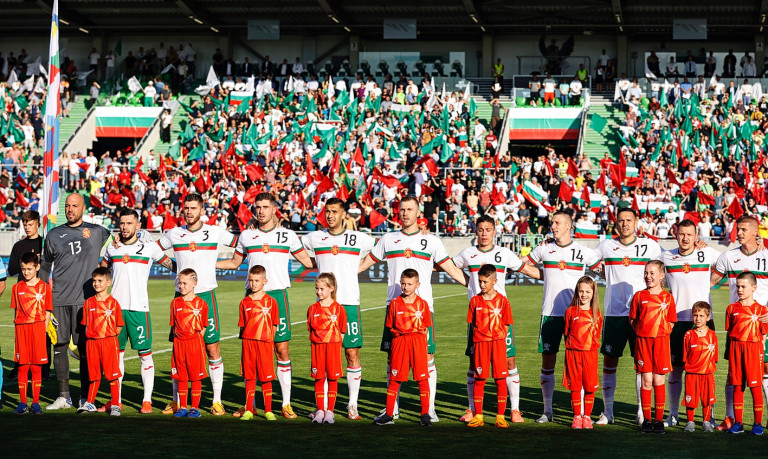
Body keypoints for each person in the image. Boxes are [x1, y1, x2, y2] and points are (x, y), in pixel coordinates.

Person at [359, 195, 468, 422]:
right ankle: (393, 408)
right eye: (402, 209)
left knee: (428, 358)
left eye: (410, 209)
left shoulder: (432, 241)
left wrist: (474, 286)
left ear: (419, 214)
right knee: (392, 358)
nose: (405, 213)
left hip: (422, 309)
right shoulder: (388, 240)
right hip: (394, 308)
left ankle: (429, 409)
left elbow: (452, 269)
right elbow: (364, 264)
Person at [217, 192, 313, 419]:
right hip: (251, 299)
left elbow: (307, 261)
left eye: (265, 207)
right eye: (257, 207)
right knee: (251, 354)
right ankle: (250, 404)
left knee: (281, 349)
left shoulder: (287, 235)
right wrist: (203, 263)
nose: (261, 211)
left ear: (274, 210)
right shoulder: (246, 236)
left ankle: (286, 403)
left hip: (277, 297)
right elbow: (234, 262)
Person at [453, 215, 541, 423]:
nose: (484, 233)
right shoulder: (468, 253)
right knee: (474, 362)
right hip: (478, 318)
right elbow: (448, 266)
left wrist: (552, 274)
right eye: (481, 229)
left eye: (488, 230)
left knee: (509, 361)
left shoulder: (505, 254)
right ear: (476, 231)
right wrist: (468, 283)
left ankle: (515, 409)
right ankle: (472, 409)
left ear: (495, 231)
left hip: (500, 319)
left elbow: (527, 269)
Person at [157, 193, 237, 416]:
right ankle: (177, 401)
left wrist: (216, 265)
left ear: (202, 210)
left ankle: (217, 400)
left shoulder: (215, 232)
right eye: (187, 208)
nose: (189, 212)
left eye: (194, 208)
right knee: (178, 351)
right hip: (180, 298)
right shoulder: (174, 233)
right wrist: (172, 266)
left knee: (212, 348)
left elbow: (242, 244)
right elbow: (154, 250)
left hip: (206, 297)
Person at [301, 198, 375, 420]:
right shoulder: (314, 238)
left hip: (349, 302)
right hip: (324, 306)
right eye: (327, 211)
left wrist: (358, 268)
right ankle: (322, 407)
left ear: (344, 215)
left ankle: (352, 404)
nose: (330, 215)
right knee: (322, 358)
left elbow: (379, 250)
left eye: (334, 211)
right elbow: (301, 254)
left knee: (352, 353)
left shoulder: (359, 238)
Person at [524, 210, 600, 423]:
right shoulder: (545, 248)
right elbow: (523, 264)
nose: (553, 226)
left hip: (578, 316)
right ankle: (547, 410)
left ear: (568, 226)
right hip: (550, 314)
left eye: (557, 222)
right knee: (548, 362)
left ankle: (583, 415)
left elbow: (603, 269)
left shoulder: (582, 251)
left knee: (582, 367)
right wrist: (545, 275)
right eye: (552, 223)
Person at [101, 209, 175, 414]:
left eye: (129, 223)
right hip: (114, 311)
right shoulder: (112, 248)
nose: (125, 227)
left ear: (138, 225)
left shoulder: (149, 248)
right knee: (116, 357)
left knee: (145, 355)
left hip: (139, 310)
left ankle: (147, 400)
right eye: (122, 223)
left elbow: (172, 265)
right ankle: (116, 400)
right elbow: (102, 271)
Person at [42, 193, 111, 411]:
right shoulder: (53, 234)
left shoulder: (98, 232)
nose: (70, 209)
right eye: (67, 206)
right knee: (60, 345)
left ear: (83, 208)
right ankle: (64, 396)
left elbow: (115, 245)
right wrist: (44, 296)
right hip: (59, 299)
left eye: (75, 206)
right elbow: (44, 267)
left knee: (84, 348)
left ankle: (84, 397)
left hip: (86, 302)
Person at [594, 208, 662, 426]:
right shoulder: (606, 246)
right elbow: (590, 260)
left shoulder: (650, 246)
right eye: (621, 220)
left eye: (628, 220)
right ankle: (608, 411)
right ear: (616, 223)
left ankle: (642, 411)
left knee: (642, 364)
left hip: (643, 315)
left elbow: (666, 264)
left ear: (636, 223)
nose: (625, 224)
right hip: (614, 313)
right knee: (609, 361)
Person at [658, 219, 719, 428]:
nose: (685, 238)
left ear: (696, 236)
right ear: (676, 235)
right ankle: (673, 414)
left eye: (689, 235)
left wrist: (709, 283)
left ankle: (708, 415)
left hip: (703, 323)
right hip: (676, 323)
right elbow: (651, 272)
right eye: (682, 234)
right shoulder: (666, 256)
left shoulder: (707, 253)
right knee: (675, 370)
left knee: (705, 373)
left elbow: (726, 266)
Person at [709, 216, 768, 430]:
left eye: (743, 229)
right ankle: (730, 417)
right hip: (738, 326)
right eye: (737, 229)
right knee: (734, 375)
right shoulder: (728, 257)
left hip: (762, 324)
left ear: (755, 232)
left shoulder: (766, 256)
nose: (739, 233)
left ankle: (762, 420)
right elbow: (710, 281)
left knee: (765, 371)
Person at [373, 269, 432, 426]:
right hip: (400, 343)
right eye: (403, 283)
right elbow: (390, 326)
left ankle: (425, 414)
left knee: (422, 379)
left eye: (409, 284)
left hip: (418, 343)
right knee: (395, 379)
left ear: (417, 285)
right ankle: (389, 414)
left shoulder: (423, 304)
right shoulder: (394, 303)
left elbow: (426, 326)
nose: (406, 287)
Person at [629, 260, 677, 434]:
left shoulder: (668, 297)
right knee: (646, 380)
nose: (648, 276)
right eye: (646, 273)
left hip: (662, 343)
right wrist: (644, 331)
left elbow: (671, 320)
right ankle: (647, 419)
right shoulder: (639, 296)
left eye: (652, 273)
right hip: (643, 342)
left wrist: (660, 332)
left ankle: (658, 420)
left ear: (662, 275)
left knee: (658, 380)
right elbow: (633, 319)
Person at [465, 264, 514, 429]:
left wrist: (498, 335)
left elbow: (507, 323)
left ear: (495, 281)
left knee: (500, 380)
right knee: (480, 379)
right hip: (480, 345)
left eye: (485, 281)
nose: (482, 285)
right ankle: (478, 415)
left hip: (498, 345)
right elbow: (472, 324)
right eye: (480, 281)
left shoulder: (503, 301)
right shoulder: (475, 300)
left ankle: (500, 416)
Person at [724, 272, 768, 435]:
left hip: (753, 349)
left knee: (755, 386)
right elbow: (730, 331)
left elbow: (764, 333)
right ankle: (739, 423)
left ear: (754, 288)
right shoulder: (732, 308)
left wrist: (758, 347)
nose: (740, 290)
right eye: (738, 286)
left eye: (743, 286)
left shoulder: (761, 309)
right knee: (737, 385)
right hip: (736, 348)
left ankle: (757, 423)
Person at [77, 267, 124, 416]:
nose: (96, 284)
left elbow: (119, 326)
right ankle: (90, 403)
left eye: (100, 280)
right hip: (92, 343)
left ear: (108, 282)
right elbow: (85, 326)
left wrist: (107, 336)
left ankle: (115, 404)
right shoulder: (88, 303)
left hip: (109, 343)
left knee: (112, 375)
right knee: (94, 374)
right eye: (94, 281)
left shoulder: (114, 303)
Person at [7, 210, 47, 381]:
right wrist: (27, 262)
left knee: (43, 330)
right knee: (20, 328)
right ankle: (19, 365)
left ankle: (44, 369)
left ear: (38, 223)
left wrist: (41, 259)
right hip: (22, 292)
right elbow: (12, 269)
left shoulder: (45, 243)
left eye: (30, 224)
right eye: (25, 224)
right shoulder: (19, 246)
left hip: (40, 291)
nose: (27, 227)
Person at [11, 252, 52, 415]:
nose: (26, 272)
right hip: (21, 330)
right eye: (23, 269)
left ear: (37, 267)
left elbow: (48, 312)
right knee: (22, 366)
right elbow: (16, 312)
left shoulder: (45, 288)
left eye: (29, 269)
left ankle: (35, 403)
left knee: (36, 367)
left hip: (38, 329)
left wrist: (44, 331)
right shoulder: (16, 288)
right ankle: (22, 403)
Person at [238, 265, 278, 422]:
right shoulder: (244, 302)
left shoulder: (271, 302)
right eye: (251, 280)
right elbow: (243, 325)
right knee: (249, 377)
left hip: (265, 344)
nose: (253, 284)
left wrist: (270, 341)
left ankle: (268, 410)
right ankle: (249, 409)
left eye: (257, 280)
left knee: (266, 378)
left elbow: (274, 325)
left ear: (264, 281)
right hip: (248, 344)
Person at [562, 276, 603, 430]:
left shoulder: (597, 314)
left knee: (590, 386)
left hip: (590, 355)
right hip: (573, 354)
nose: (584, 295)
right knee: (575, 386)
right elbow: (567, 333)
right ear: (577, 292)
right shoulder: (571, 311)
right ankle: (577, 416)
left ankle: (587, 417)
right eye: (581, 291)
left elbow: (597, 335)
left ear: (593, 293)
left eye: (587, 291)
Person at [307, 273, 347, 424]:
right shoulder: (312, 309)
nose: (318, 292)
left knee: (332, 378)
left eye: (322, 289)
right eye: (316, 288)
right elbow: (310, 329)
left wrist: (333, 342)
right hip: (317, 349)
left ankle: (329, 411)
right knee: (318, 378)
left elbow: (342, 331)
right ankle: (319, 410)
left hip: (333, 348)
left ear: (331, 288)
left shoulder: (339, 309)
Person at [169, 269, 208, 418]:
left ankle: (195, 408)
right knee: (181, 376)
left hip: (195, 343)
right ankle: (183, 406)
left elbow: (204, 325)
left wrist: (195, 339)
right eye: (180, 282)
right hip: (179, 343)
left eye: (185, 283)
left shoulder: (201, 304)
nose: (181, 286)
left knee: (195, 376)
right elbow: (174, 325)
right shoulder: (175, 302)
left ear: (194, 283)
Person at [681, 301, 718, 432]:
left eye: (701, 316)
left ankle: (706, 422)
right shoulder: (688, 335)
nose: (698, 318)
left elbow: (715, 357)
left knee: (707, 399)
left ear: (708, 317)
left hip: (707, 374)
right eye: (695, 315)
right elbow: (685, 355)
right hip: (692, 374)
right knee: (690, 398)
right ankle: (690, 422)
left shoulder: (713, 335)